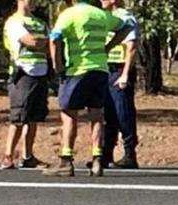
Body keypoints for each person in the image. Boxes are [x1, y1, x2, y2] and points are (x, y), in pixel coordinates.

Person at [44, 0, 134, 177]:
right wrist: (108, 46)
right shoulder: (100, 15)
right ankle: (97, 159)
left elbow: (54, 39)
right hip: (100, 70)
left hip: (77, 70)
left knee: (69, 114)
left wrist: (57, 65)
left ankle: (66, 159)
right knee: (97, 115)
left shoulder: (69, 14)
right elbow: (127, 26)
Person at [2, 0, 50, 170]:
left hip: (41, 72)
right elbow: (32, 42)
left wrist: (43, 42)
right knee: (19, 116)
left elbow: (50, 45)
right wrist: (42, 41)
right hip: (22, 72)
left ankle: (28, 156)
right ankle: (8, 156)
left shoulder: (40, 23)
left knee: (33, 118)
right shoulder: (14, 22)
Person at [101, 0, 139, 169]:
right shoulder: (104, 17)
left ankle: (129, 153)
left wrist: (125, 74)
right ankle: (106, 153)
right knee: (108, 113)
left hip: (119, 69)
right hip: (105, 69)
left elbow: (131, 46)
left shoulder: (125, 17)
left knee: (123, 112)